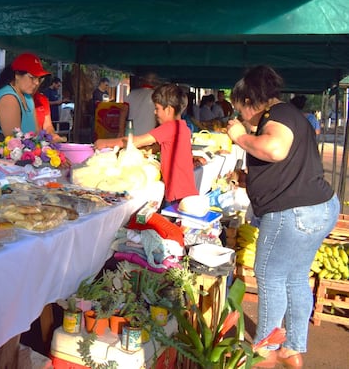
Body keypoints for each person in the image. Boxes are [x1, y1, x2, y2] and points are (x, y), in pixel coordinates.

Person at [225, 65, 338, 367]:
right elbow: (286, 167)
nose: (245, 121)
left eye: (241, 111)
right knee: (296, 278)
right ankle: (291, 347)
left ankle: (264, 351)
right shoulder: (290, 116)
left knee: (270, 277)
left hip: (293, 212)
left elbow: (274, 150)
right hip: (318, 206)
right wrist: (249, 179)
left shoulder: (278, 116)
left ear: (251, 101)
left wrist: (239, 137)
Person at [94, 84, 198, 203]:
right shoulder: (183, 127)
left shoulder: (169, 127)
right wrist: (147, 150)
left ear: (169, 109)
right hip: (186, 190)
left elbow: (135, 141)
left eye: (157, 108)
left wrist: (106, 142)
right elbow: (161, 146)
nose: (154, 112)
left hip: (177, 193)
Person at [0, 53, 48, 169]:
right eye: (32, 77)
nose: (36, 83)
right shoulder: (8, 99)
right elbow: (14, 142)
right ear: (17, 75)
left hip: (15, 165)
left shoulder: (28, 98)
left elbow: (35, 134)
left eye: (39, 78)